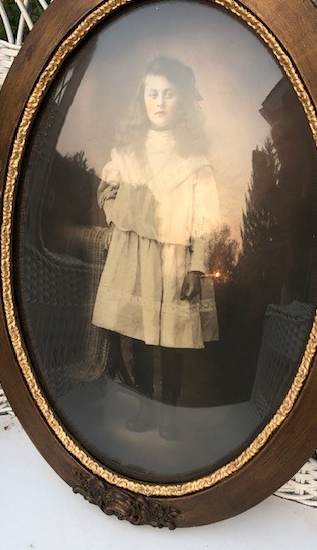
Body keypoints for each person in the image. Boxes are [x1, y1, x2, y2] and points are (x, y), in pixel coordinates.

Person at [91, 56, 219, 439]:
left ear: (181, 101)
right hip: (133, 256)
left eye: (168, 94)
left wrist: (197, 266)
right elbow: (107, 192)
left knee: (173, 341)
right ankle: (146, 406)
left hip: (173, 258)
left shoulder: (194, 160)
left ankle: (171, 414)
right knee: (139, 337)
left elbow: (206, 220)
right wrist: (128, 216)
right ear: (141, 99)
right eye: (152, 94)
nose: (160, 102)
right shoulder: (128, 151)